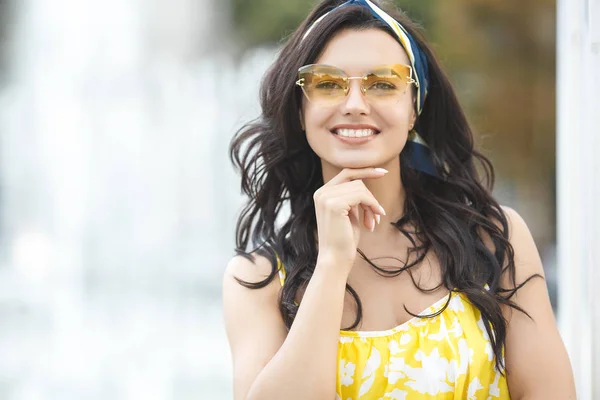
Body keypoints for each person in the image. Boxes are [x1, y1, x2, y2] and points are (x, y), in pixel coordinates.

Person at [222, 0, 576, 398]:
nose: (354, 105)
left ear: (413, 110)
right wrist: (332, 265)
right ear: (301, 110)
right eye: (327, 84)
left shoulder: (494, 238)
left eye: (383, 84)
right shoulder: (257, 281)